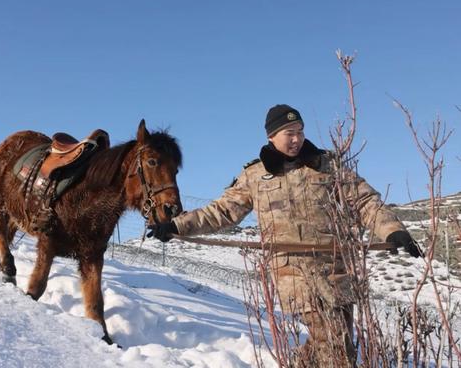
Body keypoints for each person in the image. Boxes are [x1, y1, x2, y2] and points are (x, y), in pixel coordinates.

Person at [148, 104, 421, 366]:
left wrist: (393, 230)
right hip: (293, 273)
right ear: (271, 136)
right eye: (289, 133)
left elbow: (364, 201)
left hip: (336, 268)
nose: (297, 139)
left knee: (335, 342)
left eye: (300, 131)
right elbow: (222, 212)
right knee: (334, 344)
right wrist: (177, 226)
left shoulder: (327, 165)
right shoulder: (255, 174)